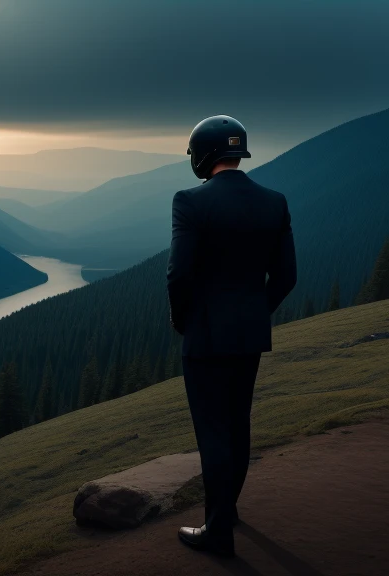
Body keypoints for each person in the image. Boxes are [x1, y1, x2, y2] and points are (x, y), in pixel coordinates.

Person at [167, 115, 297, 557]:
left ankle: (217, 532)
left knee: (212, 433)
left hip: (205, 337)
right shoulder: (274, 201)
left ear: (201, 155)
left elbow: (178, 274)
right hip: (248, 335)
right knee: (238, 425)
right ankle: (227, 512)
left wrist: (183, 319)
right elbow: (286, 276)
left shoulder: (189, 201)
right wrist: (256, 312)